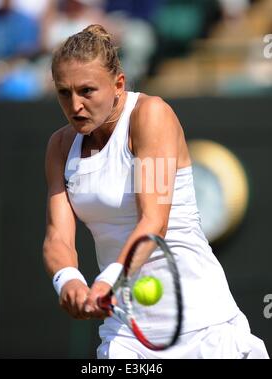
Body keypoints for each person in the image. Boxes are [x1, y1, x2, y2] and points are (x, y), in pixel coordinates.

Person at [43, 24, 269, 359]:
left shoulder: (151, 115)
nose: (75, 105)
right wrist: (69, 281)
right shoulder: (61, 146)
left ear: (118, 83)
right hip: (126, 334)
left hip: (204, 327)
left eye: (87, 91)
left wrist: (108, 282)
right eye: (64, 92)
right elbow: (57, 237)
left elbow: (154, 223)